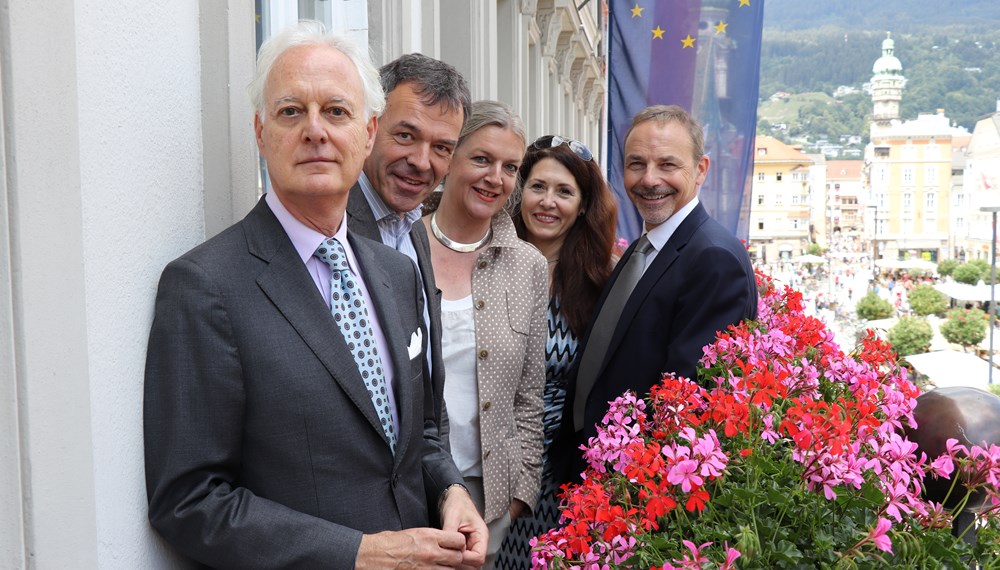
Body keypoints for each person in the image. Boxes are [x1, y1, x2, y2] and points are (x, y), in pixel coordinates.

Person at [143, 22, 487, 569]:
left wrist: (451, 492)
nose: (315, 130)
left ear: (368, 133)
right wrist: (360, 554)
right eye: (290, 111)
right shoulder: (206, 287)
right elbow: (188, 501)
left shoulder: (395, 272)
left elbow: (418, 431)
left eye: (336, 111)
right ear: (260, 132)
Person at [557, 104, 758, 482]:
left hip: (633, 488)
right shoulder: (646, 245)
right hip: (590, 471)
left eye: (667, 165)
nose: (649, 179)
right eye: (636, 164)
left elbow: (687, 400)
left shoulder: (713, 258)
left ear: (700, 170)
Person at [420, 100, 547, 568]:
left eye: (510, 167)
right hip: (406, 485)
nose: (496, 177)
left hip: (488, 495)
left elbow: (531, 397)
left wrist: (516, 499)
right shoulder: (399, 248)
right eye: (481, 159)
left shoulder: (528, 266)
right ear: (450, 158)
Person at [496, 135, 619, 568]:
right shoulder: (482, 264)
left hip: (558, 479)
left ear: (583, 205)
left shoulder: (600, 285)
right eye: (538, 186)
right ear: (519, 191)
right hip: (480, 465)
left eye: (564, 191)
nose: (548, 202)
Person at [347, 53, 471, 433]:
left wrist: (446, 484)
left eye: (441, 148)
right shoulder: (328, 230)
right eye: (406, 136)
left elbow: (427, 385)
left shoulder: (415, 226)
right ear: (370, 128)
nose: (421, 161)